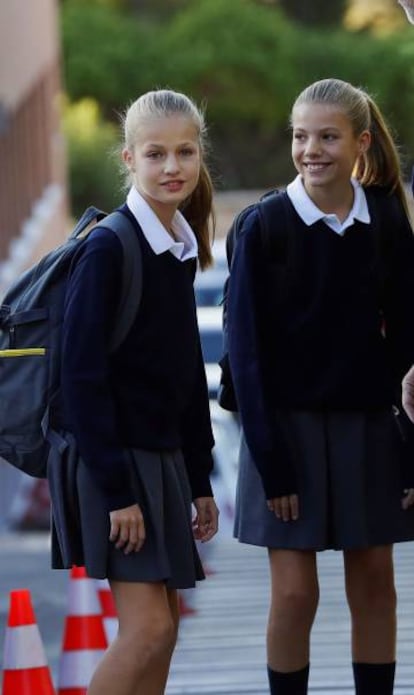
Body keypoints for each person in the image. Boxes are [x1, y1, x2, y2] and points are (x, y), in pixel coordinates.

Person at [226, 78, 414, 694]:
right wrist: (272, 465)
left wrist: (409, 455)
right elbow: (246, 358)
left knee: (375, 587)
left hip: (368, 430)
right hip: (285, 432)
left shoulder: (384, 219)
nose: (311, 149)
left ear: (360, 142)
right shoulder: (263, 226)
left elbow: (407, 346)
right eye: (301, 136)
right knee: (295, 593)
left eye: (328, 136)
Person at [53, 89, 219, 695]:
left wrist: (199, 478)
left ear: (201, 156)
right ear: (129, 159)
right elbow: (82, 379)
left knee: (164, 627)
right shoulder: (108, 247)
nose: (172, 166)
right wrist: (118, 489)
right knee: (147, 628)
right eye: (156, 154)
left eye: (185, 152)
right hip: (116, 466)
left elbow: (183, 379)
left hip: (164, 462)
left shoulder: (176, 246)